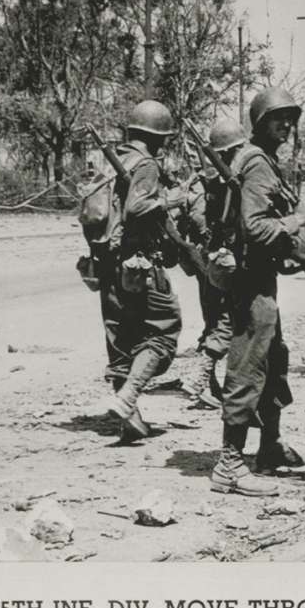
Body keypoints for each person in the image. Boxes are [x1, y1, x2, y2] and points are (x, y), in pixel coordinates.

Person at [213, 87, 305, 496]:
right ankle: (228, 464)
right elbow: (256, 228)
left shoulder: (260, 160)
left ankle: (270, 447)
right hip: (249, 279)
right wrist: (298, 220)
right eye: (279, 118)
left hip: (260, 278)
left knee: (274, 360)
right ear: (260, 123)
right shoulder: (257, 163)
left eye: (291, 118)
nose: (287, 125)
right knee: (248, 365)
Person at [81, 100, 189, 442]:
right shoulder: (146, 164)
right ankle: (128, 397)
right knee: (164, 331)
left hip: (109, 263)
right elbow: (136, 209)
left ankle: (131, 420)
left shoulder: (113, 163)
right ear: (158, 137)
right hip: (141, 264)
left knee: (121, 340)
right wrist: (172, 200)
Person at [177, 117, 245, 411]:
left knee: (216, 320)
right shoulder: (221, 183)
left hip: (210, 259)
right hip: (222, 261)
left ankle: (210, 387)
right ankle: (203, 378)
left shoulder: (205, 182)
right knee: (227, 320)